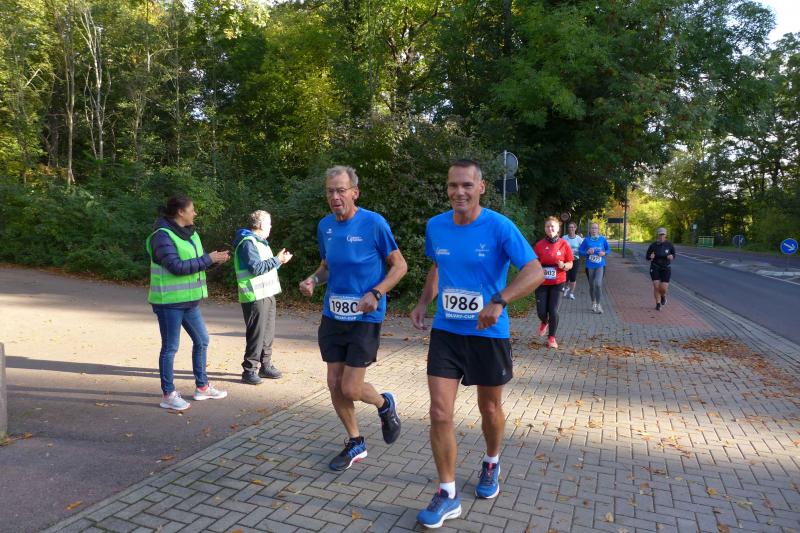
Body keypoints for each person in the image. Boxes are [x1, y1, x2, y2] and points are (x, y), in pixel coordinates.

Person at [410, 160, 544, 529]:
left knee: (489, 408)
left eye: (467, 185)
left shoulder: (499, 226)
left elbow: (534, 271)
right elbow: (438, 266)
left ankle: (491, 461)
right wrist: (423, 302)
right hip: (447, 332)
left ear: (481, 187)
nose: (459, 192)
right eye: (453, 185)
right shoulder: (436, 226)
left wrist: (500, 300)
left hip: (488, 334)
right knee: (440, 412)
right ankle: (447, 493)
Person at [298, 165, 408, 472]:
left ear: (354, 192)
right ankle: (355, 441)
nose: (335, 197)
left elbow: (400, 266)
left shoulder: (374, 223)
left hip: (365, 317)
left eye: (341, 190)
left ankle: (384, 404)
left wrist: (376, 292)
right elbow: (326, 267)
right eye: (330, 192)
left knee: (350, 388)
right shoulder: (325, 226)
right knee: (334, 382)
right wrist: (313, 280)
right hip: (333, 314)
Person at [146, 195, 230, 411]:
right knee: (170, 348)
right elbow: (176, 266)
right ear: (181, 212)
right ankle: (168, 394)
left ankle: (202, 387)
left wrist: (215, 260)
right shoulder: (161, 236)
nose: (195, 213)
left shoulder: (191, 234)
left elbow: (197, 263)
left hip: (189, 301)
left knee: (202, 340)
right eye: (192, 209)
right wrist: (208, 259)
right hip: (169, 302)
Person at [233, 210, 293, 385]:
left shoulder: (261, 242)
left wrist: (280, 261)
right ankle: (249, 370)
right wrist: (277, 259)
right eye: (269, 223)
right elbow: (256, 268)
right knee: (256, 334)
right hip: (254, 295)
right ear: (260, 225)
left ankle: (265, 366)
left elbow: (266, 268)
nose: (271, 227)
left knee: (267, 333)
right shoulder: (247, 242)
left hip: (267, 293)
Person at [533, 217, 574, 349]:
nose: (550, 229)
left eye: (552, 226)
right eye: (547, 226)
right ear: (545, 229)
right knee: (541, 311)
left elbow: (570, 263)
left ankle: (551, 338)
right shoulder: (539, 245)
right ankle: (544, 321)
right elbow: (533, 262)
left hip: (558, 281)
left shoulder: (564, 244)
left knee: (553, 310)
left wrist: (564, 265)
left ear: (558, 229)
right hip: (541, 281)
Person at [579, 222, 611, 314]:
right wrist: (587, 252)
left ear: (598, 230)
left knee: (598, 284)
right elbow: (580, 251)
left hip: (600, 265)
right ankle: (593, 303)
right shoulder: (586, 240)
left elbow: (608, 249)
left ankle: (598, 304)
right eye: (592, 228)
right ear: (590, 230)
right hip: (590, 266)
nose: (594, 230)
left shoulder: (602, 239)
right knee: (592, 286)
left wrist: (604, 253)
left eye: (596, 228)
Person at [647, 227, 676, 310]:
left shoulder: (669, 245)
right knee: (656, 286)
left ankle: (663, 296)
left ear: (665, 235)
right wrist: (650, 256)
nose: (661, 236)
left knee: (663, 289)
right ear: (658, 235)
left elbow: (673, 255)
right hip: (655, 267)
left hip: (666, 268)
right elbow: (647, 256)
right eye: (660, 234)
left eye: (663, 234)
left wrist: (671, 256)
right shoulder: (653, 245)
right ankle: (658, 304)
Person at [562, 222, 583, 300]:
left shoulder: (579, 239)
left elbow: (583, 248)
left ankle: (571, 293)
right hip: (566, 261)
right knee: (566, 277)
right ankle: (567, 287)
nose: (571, 229)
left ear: (575, 228)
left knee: (573, 277)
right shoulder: (564, 238)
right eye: (569, 227)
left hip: (575, 260)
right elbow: (560, 248)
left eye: (572, 227)